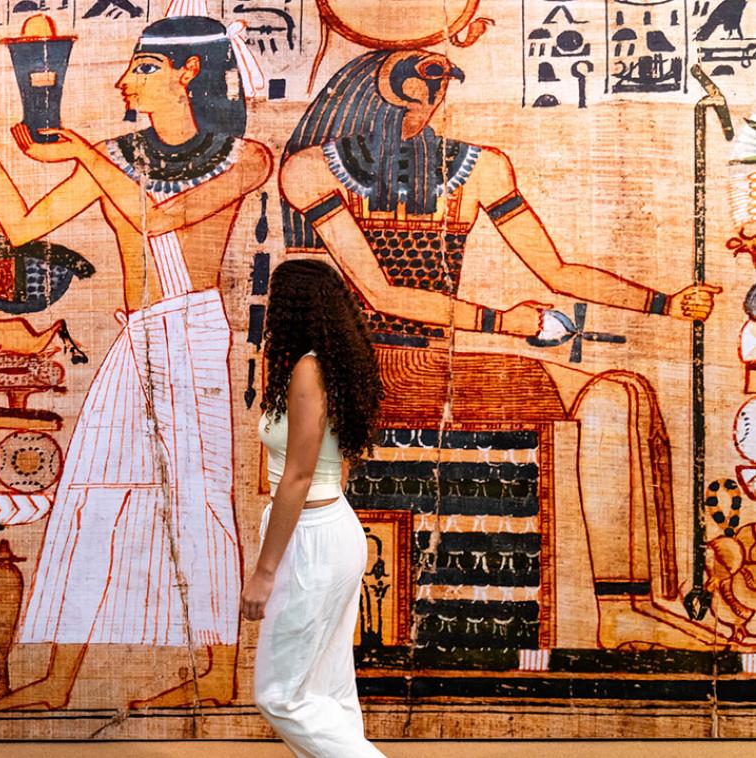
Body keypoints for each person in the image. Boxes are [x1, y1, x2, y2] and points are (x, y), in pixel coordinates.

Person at [278, 49, 723, 649]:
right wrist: (503, 322)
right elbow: (380, 294)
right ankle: (619, 612)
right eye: (423, 88)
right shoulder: (312, 170)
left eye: (439, 89)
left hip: (442, 362)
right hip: (374, 366)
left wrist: (666, 303)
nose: (434, 103)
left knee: (622, 391)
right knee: (610, 399)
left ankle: (633, 603)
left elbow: (555, 269)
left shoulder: (479, 167)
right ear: (387, 93)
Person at [0, 13, 273, 708]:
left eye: (141, 69)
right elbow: (22, 227)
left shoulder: (245, 155)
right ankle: (57, 683)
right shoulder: (119, 155)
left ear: (187, 73)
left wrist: (80, 149)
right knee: (89, 496)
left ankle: (221, 675)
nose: (123, 81)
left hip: (190, 333)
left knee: (200, 500)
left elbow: (160, 218)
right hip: (138, 338)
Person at [243, 257, 385, 758]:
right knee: (326, 688)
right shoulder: (329, 364)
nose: (267, 310)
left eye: (274, 301)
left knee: (280, 696)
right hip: (329, 528)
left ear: (293, 307)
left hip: (313, 536)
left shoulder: (309, 369)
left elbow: (299, 477)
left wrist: (264, 571)